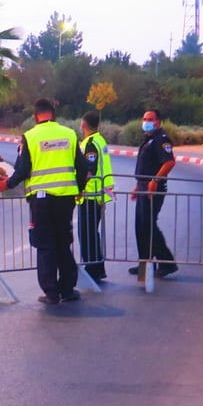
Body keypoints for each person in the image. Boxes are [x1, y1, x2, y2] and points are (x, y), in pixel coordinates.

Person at [0, 98, 87, 304]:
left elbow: (23, 168)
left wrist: (7, 184)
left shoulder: (30, 137)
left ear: (35, 116)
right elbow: (82, 168)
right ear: (53, 114)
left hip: (41, 200)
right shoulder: (69, 134)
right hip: (66, 198)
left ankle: (51, 293)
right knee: (64, 242)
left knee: (45, 244)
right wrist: (79, 190)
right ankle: (68, 290)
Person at [131, 108, 178, 278]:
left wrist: (155, 180)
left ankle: (167, 263)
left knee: (148, 225)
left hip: (154, 189)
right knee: (141, 226)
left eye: (150, 119)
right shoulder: (149, 139)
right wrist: (138, 185)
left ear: (158, 122)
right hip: (143, 187)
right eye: (144, 118)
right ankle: (145, 263)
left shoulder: (161, 139)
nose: (146, 121)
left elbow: (169, 162)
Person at [77, 111, 113, 281]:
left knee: (87, 234)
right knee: (92, 233)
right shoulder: (100, 140)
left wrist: (79, 189)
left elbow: (89, 171)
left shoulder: (90, 144)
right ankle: (97, 268)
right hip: (98, 195)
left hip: (91, 195)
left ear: (83, 125)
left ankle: (93, 269)